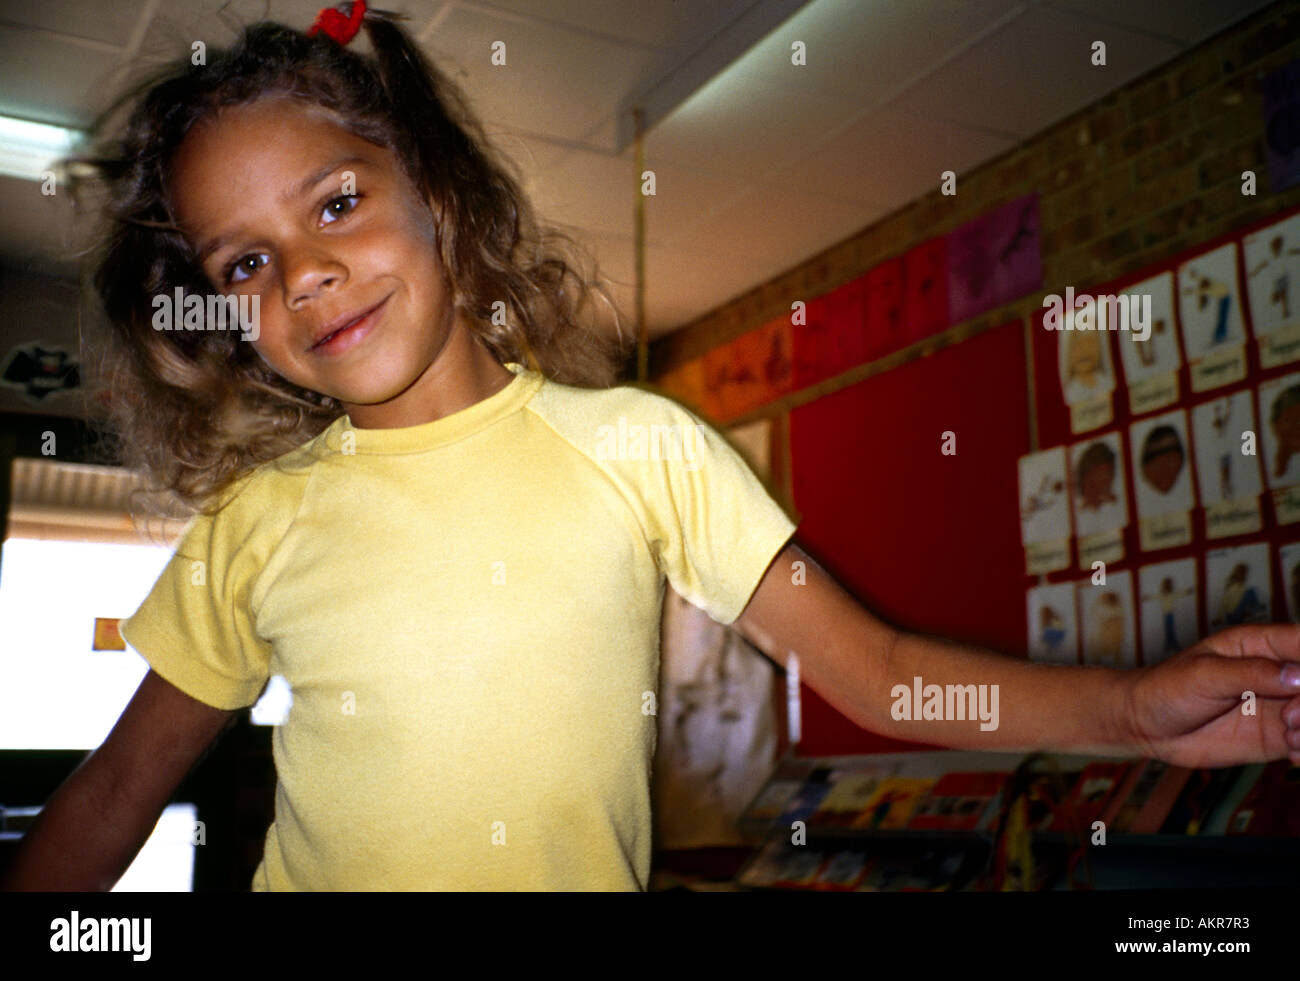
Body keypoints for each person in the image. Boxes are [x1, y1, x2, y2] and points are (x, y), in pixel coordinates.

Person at [5, 1, 1300, 893]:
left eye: (337, 202)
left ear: (436, 195)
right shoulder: (262, 523)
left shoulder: (640, 446)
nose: (309, 274)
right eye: (248, 263)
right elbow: (116, 790)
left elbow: (892, 675)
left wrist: (1132, 709)